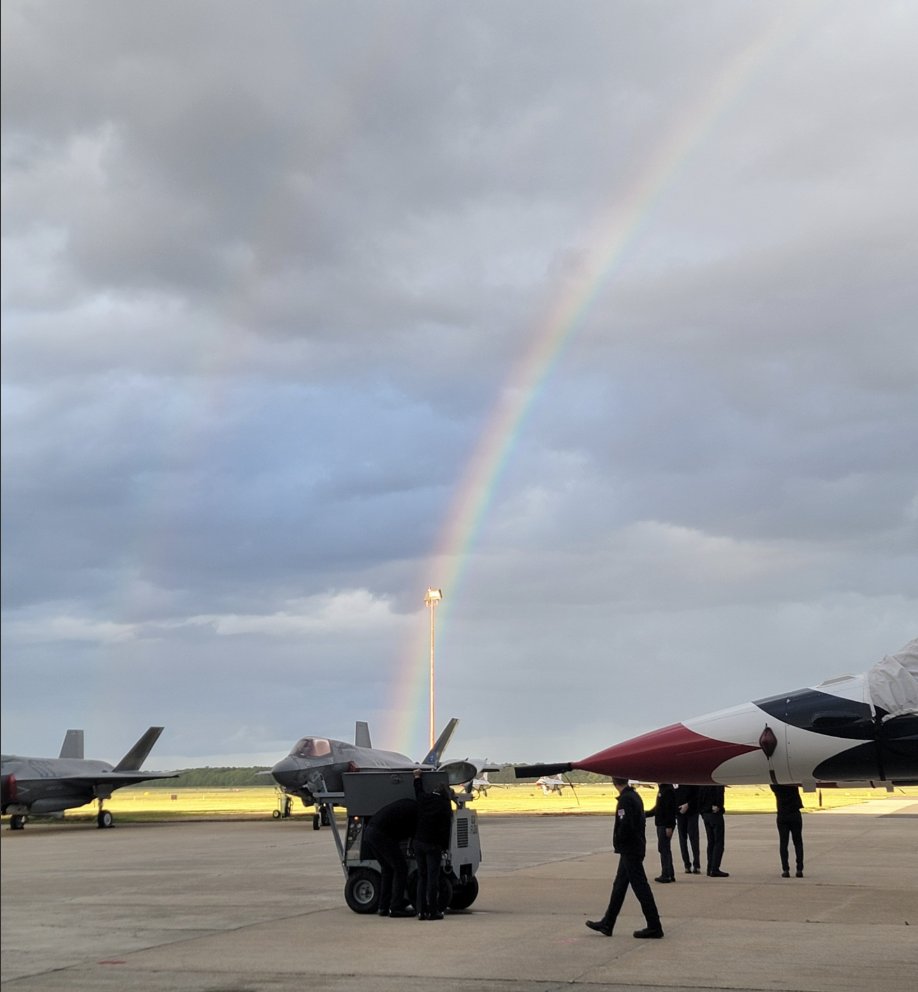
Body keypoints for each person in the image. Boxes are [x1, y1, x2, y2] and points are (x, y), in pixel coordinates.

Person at [585, 777, 664, 939]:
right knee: (619, 886)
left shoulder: (626, 800)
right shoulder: (634, 796)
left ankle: (654, 925)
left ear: (614, 782)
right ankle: (608, 922)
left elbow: (625, 825)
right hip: (633, 848)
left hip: (630, 849)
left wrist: (619, 841)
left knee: (640, 887)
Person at [361, 796, 418, 917]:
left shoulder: (408, 805)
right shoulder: (417, 813)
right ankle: (396, 907)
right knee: (400, 868)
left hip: (370, 833)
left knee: (387, 869)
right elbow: (413, 834)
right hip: (381, 835)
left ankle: (383, 906)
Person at [413, 769, 453, 921]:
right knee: (432, 878)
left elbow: (418, 790)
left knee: (422, 877)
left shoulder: (424, 799)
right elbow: (446, 830)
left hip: (419, 842)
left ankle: (421, 911)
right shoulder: (444, 806)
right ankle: (433, 911)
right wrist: (445, 848)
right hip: (433, 845)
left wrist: (417, 777)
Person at [645, 783, 677, 882]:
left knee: (664, 849)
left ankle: (666, 874)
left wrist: (669, 826)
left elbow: (670, 809)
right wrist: (645, 814)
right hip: (661, 824)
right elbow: (658, 808)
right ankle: (670, 873)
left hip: (665, 824)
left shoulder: (667, 791)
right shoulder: (663, 789)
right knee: (665, 848)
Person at [770, 784, 804, 878]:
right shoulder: (792, 784)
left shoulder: (777, 787)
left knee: (783, 843)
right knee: (798, 842)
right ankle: (799, 869)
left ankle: (785, 869)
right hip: (794, 813)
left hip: (782, 814)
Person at [698, 784, 728, 877]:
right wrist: (719, 806)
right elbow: (719, 794)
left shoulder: (702, 783)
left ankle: (710, 867)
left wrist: (702, 811)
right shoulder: (717, 783)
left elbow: (699, 798)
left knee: (711, 842)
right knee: (718, 842)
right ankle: (715, 868)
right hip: (714, 814)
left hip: (705, 814)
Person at [674, 784, 701, 874]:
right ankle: (687, 864)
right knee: (682, 839)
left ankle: (696, 864)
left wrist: (688, 804)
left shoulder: (691, 780)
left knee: (694, 839)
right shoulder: (675, 781)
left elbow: (697, 794)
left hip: (692, 811)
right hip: (679, 812)